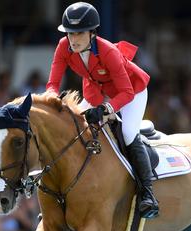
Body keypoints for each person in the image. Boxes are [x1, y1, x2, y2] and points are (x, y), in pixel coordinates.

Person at [46, 2, 158, 218]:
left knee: (127, 134)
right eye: (70, 33)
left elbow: (125, 92)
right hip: (97, 89)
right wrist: (50, 98)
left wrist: (107, 108)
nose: (73, 39)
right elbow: (53, 81)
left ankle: (148, 194)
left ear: (92, 33)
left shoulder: (108, 51)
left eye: (79, 33)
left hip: (131, 91)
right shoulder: (63, 46)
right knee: (74, 128)